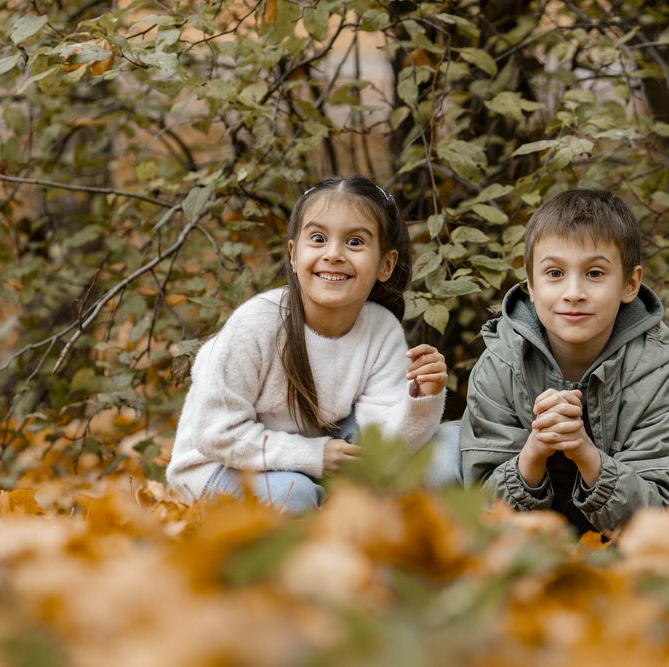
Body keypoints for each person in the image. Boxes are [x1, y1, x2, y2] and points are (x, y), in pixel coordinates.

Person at [166, 176, 459, 512]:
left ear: (385, 264)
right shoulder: (257, 324)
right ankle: (325, 519)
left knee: (450, 446)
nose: (333, 254)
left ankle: (347, 515)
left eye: (355, 242)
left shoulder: (381, 329)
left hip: (316, 458)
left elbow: (388, 445)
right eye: (318, 239)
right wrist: (313, 456)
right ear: (293, 254)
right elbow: (214, 434)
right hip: (221, 464)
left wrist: (422, 397)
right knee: (295, 495)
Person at [460, 189, 669, 535]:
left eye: (594, 273)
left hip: (621, 528)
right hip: (533, 528)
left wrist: (585, 453)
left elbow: (663, 509)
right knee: (444, 453)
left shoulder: (652, 369)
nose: (574, 292)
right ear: (531, 285)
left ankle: (658, 585)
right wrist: (532, 456)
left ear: (630, 284)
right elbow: (479, 504)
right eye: (554, 273)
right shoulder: (502, 363)